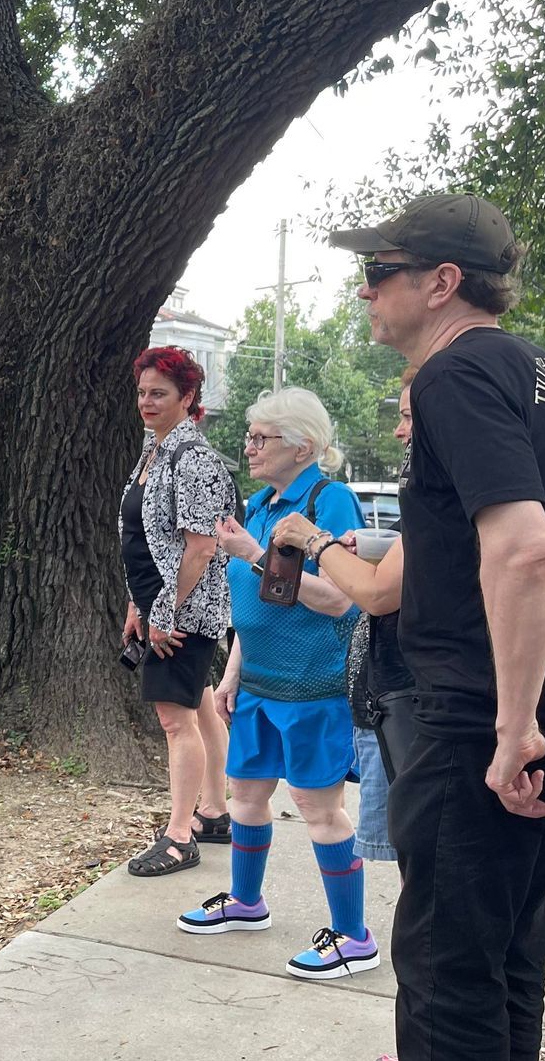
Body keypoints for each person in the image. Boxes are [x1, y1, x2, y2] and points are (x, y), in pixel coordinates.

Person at [313, 194, 545, 1061]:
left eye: (383, 268)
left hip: (487, 714)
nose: (366, 288)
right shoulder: (542, 377)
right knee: (499, 964)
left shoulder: (452, 373)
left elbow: (528, 549)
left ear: (443, 281)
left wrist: (513, 723)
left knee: (445, 967)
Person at [272, 371, 418, 1061]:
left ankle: (358, 945)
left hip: (349, 694)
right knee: (416, 887)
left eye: (405, 415)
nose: (397, 431)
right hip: (359, 696)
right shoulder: (424, 499)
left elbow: (361, 595)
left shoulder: (326, 502)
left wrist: (322, 546)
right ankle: (421, 1044)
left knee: (426, 901)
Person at [192, 388, 372, 982]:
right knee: (243, 795)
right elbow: (255, 604)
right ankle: (247, 903)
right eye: (250, 436)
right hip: (258, 684)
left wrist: (247, 553)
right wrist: (232, 672)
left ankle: (354, 936)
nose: (250, 447)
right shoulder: (260, 502)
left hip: (312, 686)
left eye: (261, 437)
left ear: (303, 445)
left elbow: (341, 600)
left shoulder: (331, 501)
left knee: (319, 808)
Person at [120, 347, 236, 876]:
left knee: (175, 719)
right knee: (203, 703)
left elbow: (201, 546)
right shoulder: (155, 450)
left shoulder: (194, 459)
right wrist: (136, 604)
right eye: (143, 392)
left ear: (188, 398)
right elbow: (147, 537)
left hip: (186, 608)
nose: (147, 401)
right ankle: (213, 812)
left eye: (159, 393)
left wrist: (166, 609)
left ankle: (178, 837)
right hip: (160, 603)